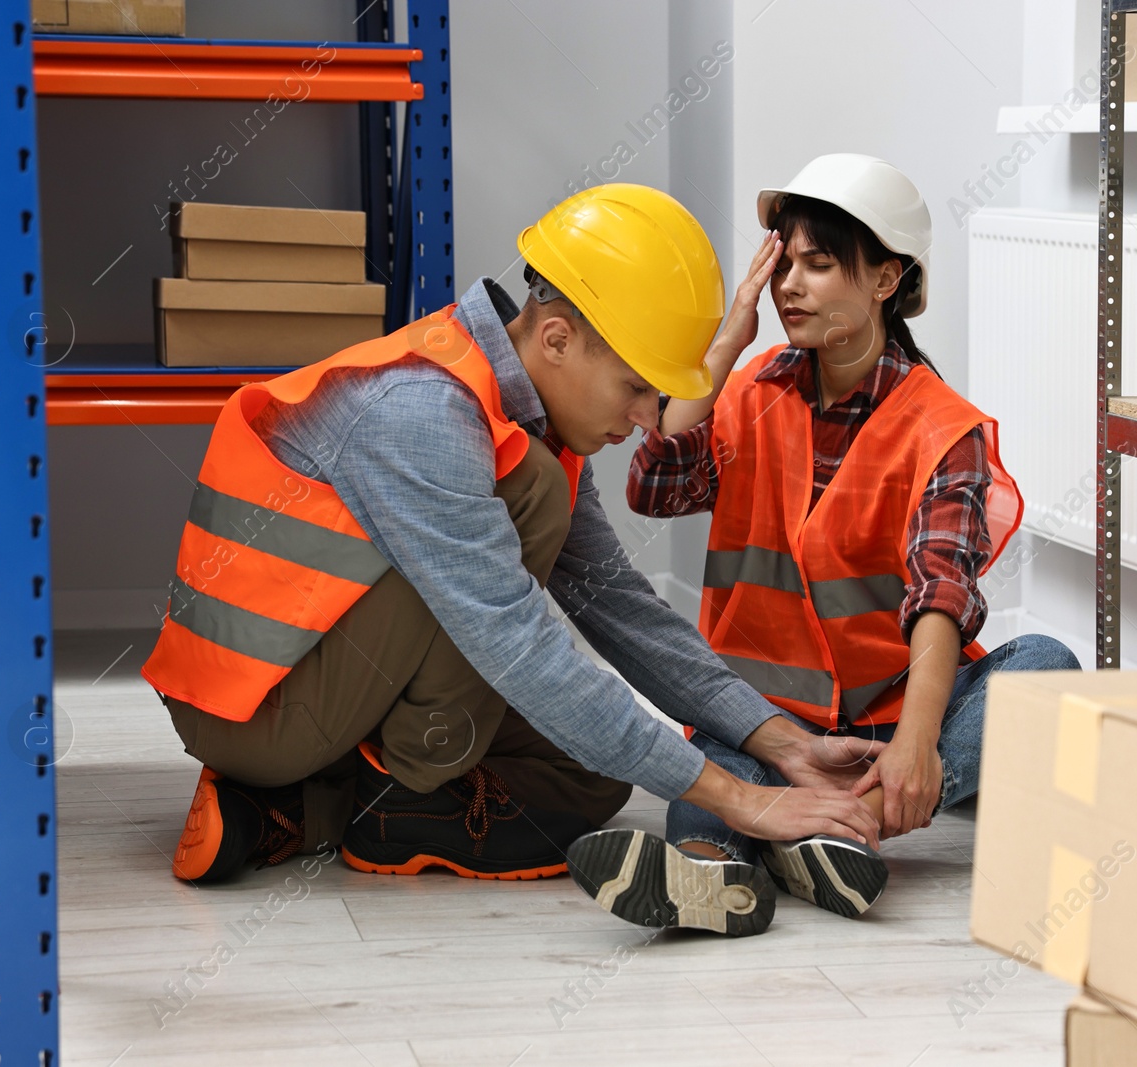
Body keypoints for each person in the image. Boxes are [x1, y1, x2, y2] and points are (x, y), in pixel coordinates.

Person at [140, 183, 884, 938]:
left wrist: (780, 739)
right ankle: (377, 790)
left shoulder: (515, 408)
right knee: (530, 503)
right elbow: (518, 645)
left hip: (327, 677)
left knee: (594, 772)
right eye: (635, 387)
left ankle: (319, 807)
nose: (645, 419)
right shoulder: (424, 416)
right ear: (556, 338)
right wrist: (739, 798)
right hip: (259, 709)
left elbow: (617, 603)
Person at [567, 155, 1079, 933]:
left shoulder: (945, 428)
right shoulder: (748, 393)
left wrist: (914, 744)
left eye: (819, 264)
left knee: (1045, 667)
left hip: (887, 720)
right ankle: (714, 875)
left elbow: (941, 592)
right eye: (783, 264)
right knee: (715, 766)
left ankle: (836, 824)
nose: (788, 287)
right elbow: (653, 488)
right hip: (758, 717)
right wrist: (726, 344)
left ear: (884, 279)